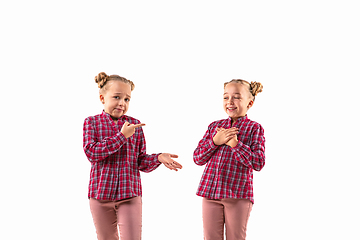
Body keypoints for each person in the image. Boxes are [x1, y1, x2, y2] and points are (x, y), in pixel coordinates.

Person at [83, 72, 182, 240]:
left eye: (127, 99)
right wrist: (122, 136)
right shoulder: (91, 122)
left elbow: (140, 161)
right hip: (100, 196)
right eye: (116, 97)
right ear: (102, 98)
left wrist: (158, 158)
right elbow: (92, 153)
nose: (122, 103)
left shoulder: (135, 125)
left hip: (129, 195)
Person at [193, 79, 265, 240]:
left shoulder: (255, 128)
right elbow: (197, 158)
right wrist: (214, 142)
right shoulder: (214, 127)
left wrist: (235, 144)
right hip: (210, 194)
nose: (230, 102)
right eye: (226, 97)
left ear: (250, 103)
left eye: (237, 97)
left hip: (238, 196)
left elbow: (258, 162)